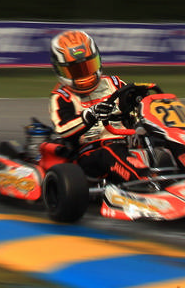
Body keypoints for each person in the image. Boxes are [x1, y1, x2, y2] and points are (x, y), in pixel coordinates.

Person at [47, 29, 150, 184]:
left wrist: (142, 101)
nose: (84, 75)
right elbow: (63, 129)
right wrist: (90, 115)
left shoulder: (113, 83)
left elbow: (137, 106)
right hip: (91, 151)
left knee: (161, 140)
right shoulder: (61, 97)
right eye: (76, 70)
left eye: (88, 66)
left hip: (126, 142)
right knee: (110, 152)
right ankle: (146, 182)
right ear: (60, 69)